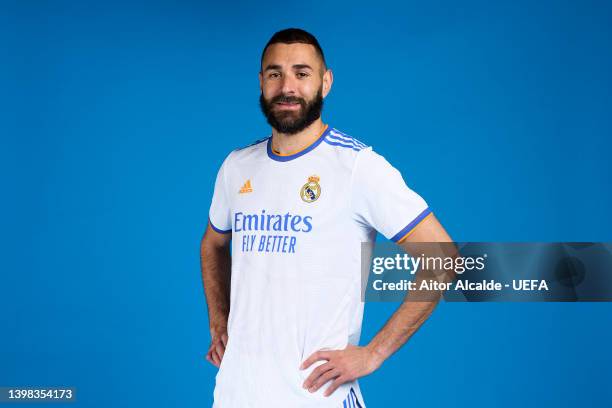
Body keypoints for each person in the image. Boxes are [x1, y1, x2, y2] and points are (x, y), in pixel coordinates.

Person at [200, 28, 453, 407]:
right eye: (275, 73)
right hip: (237, 394)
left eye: (301, 73)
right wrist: (220, 322)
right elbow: (214, 243)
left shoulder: (356, 167)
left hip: (317, 398)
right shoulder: (237, 167)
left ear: (325, 81)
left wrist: (374, 353)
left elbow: (443, 258)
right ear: (261, 82)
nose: (287, 86)